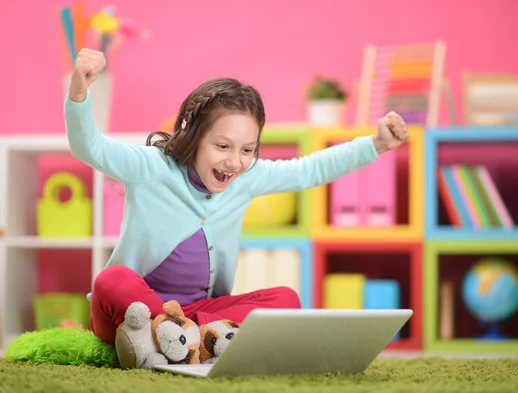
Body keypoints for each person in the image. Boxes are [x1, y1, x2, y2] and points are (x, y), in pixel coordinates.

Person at [65, 49, 409, 347]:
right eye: (222, 146)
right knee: (111, 281)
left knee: (285, 299)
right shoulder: (152, 166)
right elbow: (89, 146)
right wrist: (79, 91)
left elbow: (310, 170)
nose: (234, 161)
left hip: (196, 314)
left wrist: (375, 144)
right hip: (132, 314)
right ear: (194, 135)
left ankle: (179, 342)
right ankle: (180, 338)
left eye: (247, 149)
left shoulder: (246, 177)